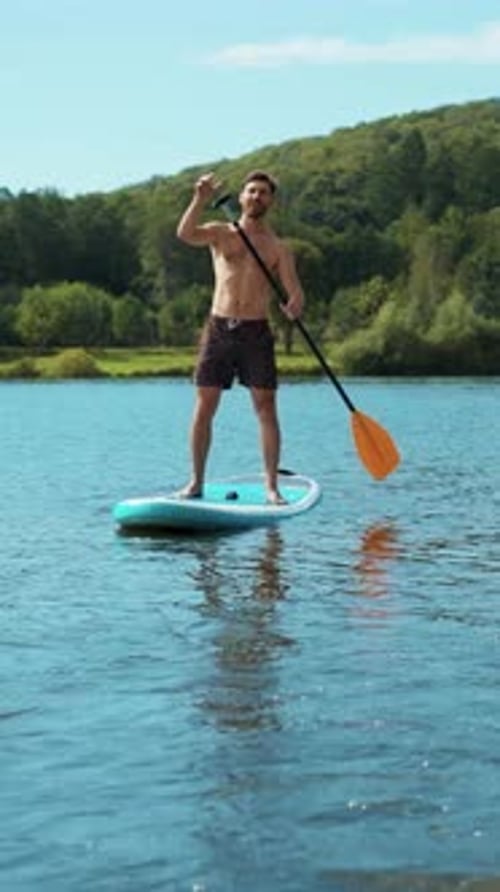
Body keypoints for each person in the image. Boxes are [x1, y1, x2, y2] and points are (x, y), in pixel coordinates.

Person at [176, 169, 305, 505]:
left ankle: (272, 487)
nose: (256, 197)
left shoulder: (278, 248)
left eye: (263, 192)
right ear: (241, 197)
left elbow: (295, 292)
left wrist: (295, 303)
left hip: (256, 331)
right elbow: (185, 233)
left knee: (266, 408)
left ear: (271, 201)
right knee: (205, 405)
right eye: (251, 191)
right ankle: (196, 482)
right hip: (219, 327)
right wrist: (200, 199)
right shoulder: (221, 233)